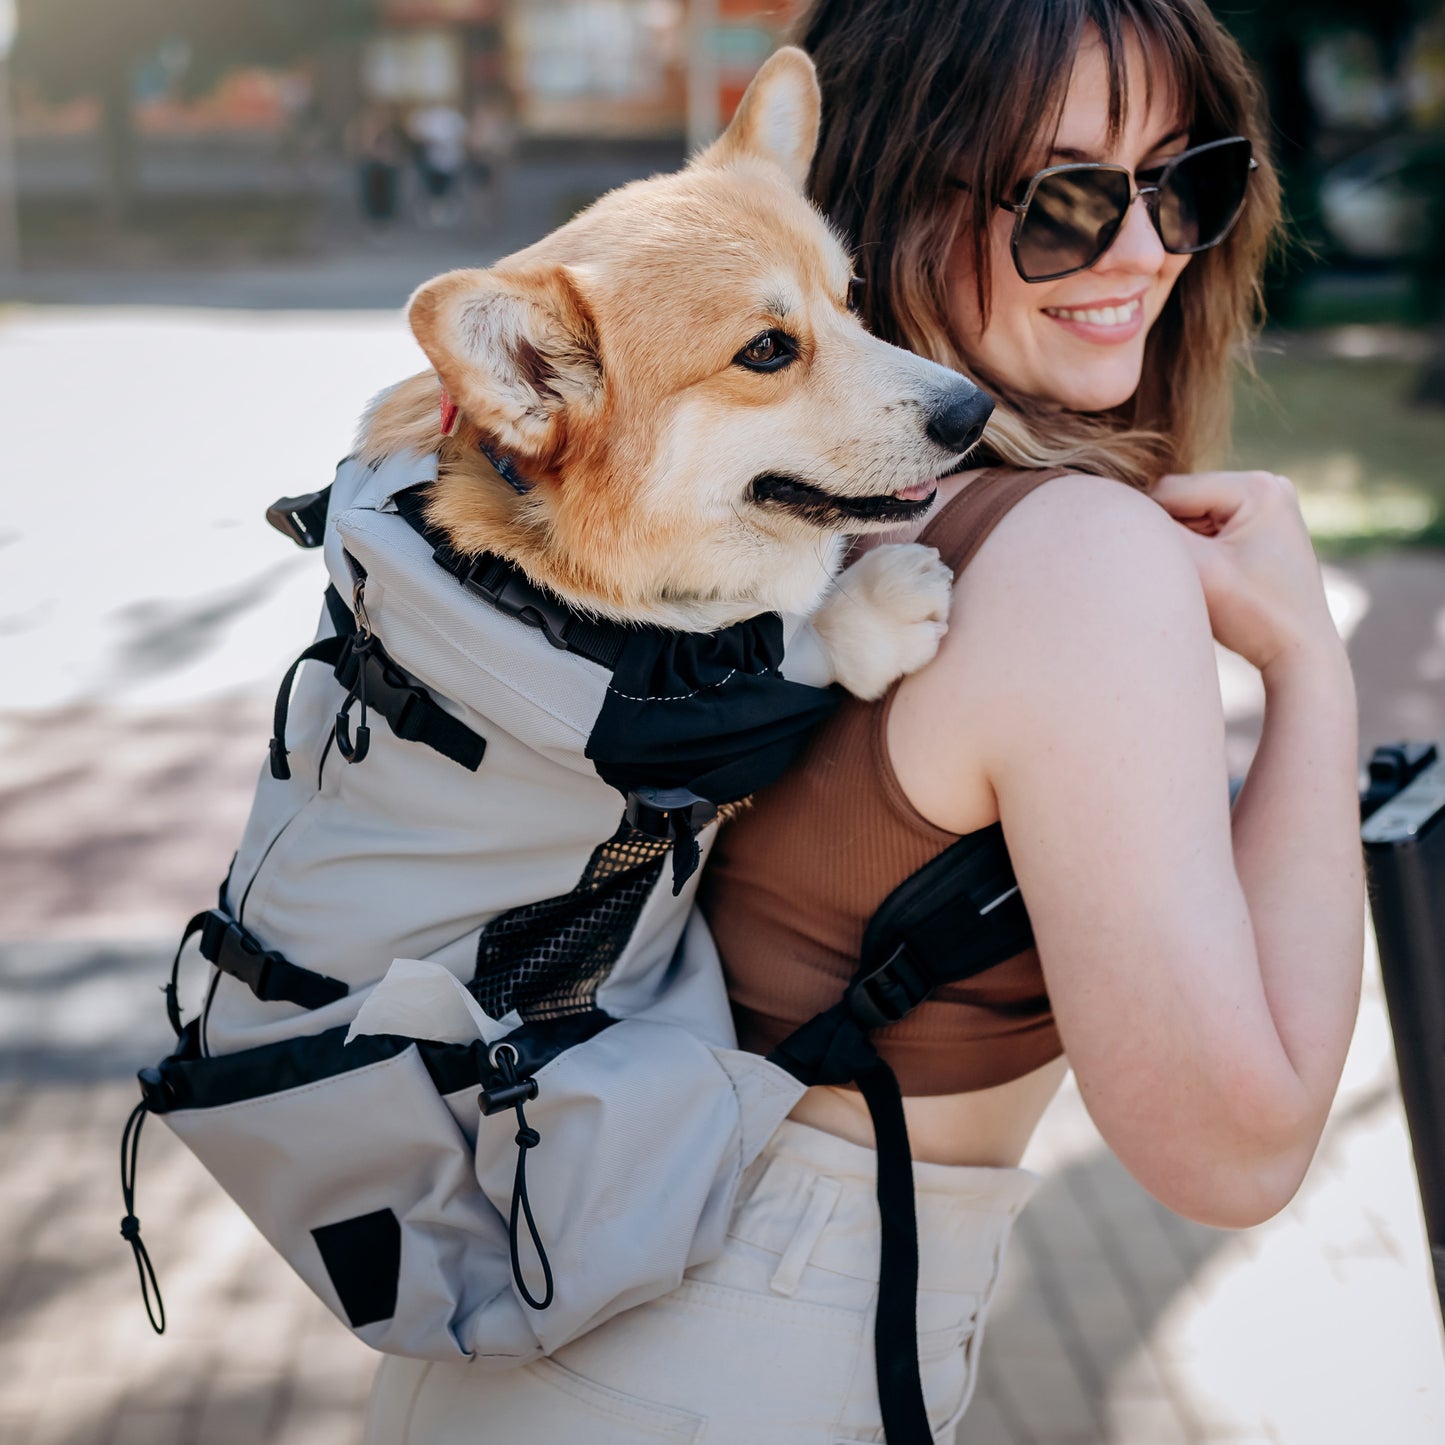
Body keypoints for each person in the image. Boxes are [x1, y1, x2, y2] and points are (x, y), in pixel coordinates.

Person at [365, 0, 1364, 1438]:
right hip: (735, 1360)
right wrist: (1307, 668)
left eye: (1186, 179)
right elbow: (1237, 1148)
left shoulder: (751, 532)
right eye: (1064, 199)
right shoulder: (1078, 561)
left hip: (516, 1334)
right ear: (890, 191)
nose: (1143, 250)